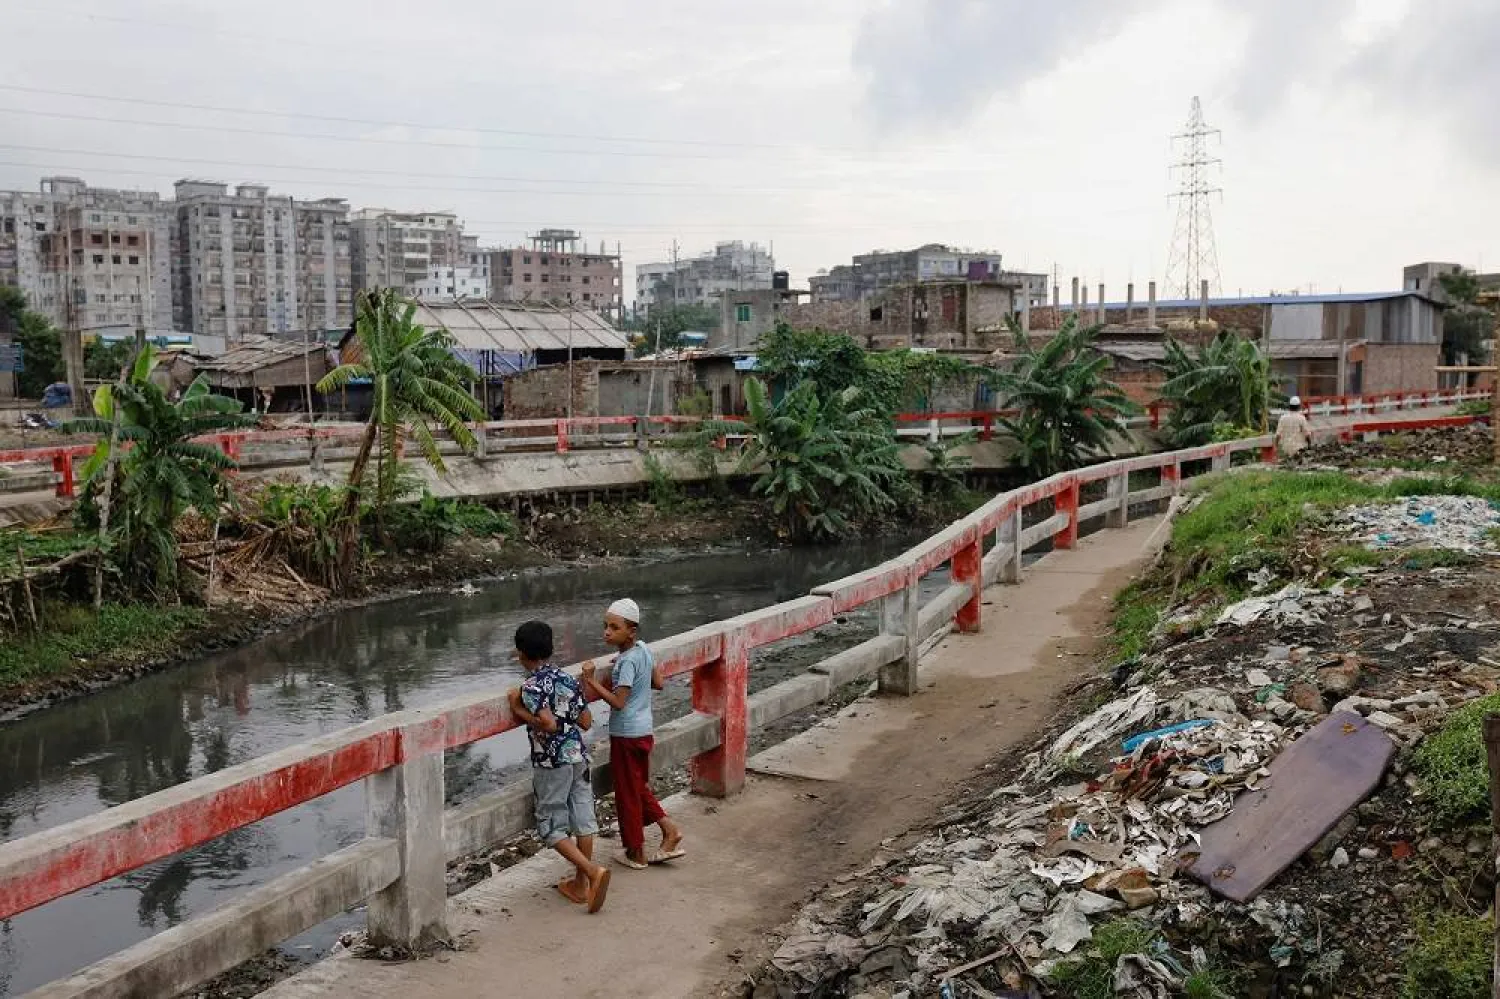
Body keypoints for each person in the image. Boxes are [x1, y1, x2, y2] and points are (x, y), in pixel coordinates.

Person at [507, 620, 611, 913]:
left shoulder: (531, 686)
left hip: (552, 763)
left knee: (551, 826)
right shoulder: (566, 678)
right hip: (578, 755)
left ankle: (591, 873)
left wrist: (517, 709)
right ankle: (580, 886)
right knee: (583, 818)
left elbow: (548, 723)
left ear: (521, 654)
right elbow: (587, 722)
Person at [581, 598, 685, 870]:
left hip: (626, 734)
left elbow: (618, 702)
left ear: (631, 631)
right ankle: (666, 831)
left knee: (628, 792)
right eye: (605, 626)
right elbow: (659, 683)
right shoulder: (642, 650)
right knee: (636, 787)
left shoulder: (626, 662)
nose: (607, 632)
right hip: (644, 730)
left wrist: (592, 682)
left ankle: (637, 851)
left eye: (614, 627)